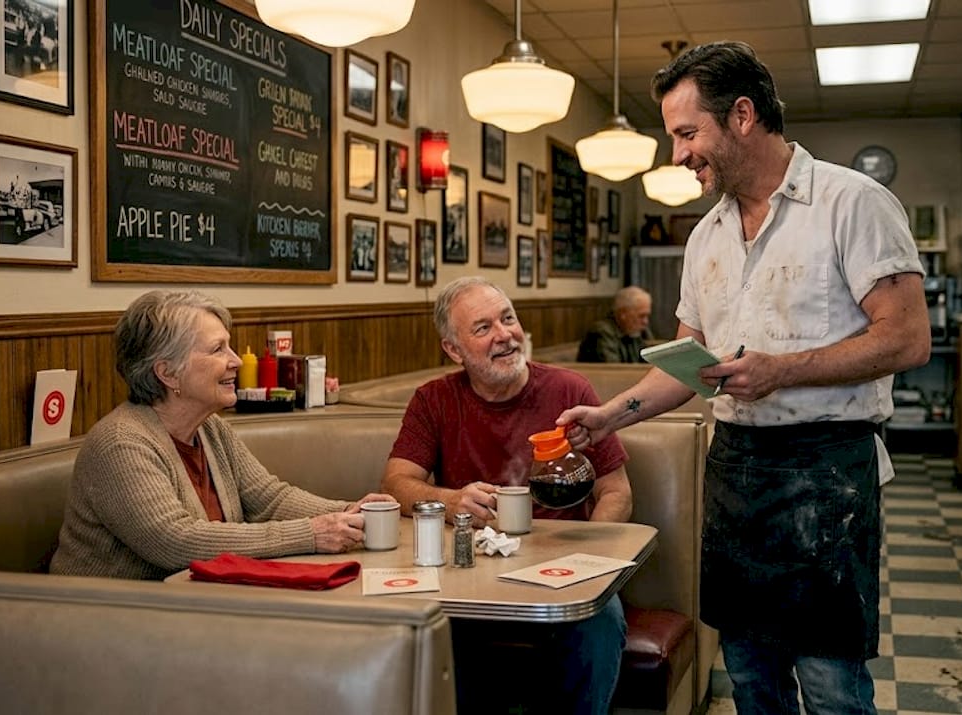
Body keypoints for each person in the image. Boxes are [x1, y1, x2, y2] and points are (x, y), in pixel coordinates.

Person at [556, 42, 930, 715]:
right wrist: (607, 417)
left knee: (831, 686)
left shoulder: (852, 202)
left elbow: (906, 337)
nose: (678, 155)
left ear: (743, 116)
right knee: (751, 677)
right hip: (735, 469)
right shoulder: (707, 237)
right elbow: (694, 366)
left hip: (828, 469)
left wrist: (780, 370)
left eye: (687, 133)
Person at [381, 276, 633, 715]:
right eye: (483, 328)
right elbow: (397, 481)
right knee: (431, 624)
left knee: (602, 619)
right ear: (454, 350)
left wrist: (590, 565)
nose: (505, 335)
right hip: (471, 575)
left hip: (562, 572)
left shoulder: (569, 391)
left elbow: (616, 491)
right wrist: (449, 500)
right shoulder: (433, 400)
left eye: (509, 319)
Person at [50, 290, 396, 580]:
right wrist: (312, 534)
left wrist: (348, 512)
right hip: (107, 622)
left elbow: (268, 499)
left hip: (195, 608)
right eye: (218, 350)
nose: (236, 361)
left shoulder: (210, 427)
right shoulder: (120, 443)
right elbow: (177, 542)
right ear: (167, 373)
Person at [576, 285, 655, 363]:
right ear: (623, 314)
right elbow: (613, 368)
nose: (645, 322)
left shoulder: (634, 331)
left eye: (647, 316)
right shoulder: (601, 332)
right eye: (641, 316)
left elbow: (649, 362)